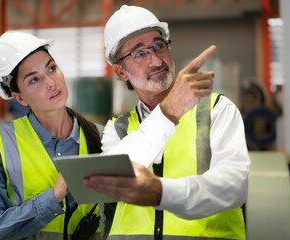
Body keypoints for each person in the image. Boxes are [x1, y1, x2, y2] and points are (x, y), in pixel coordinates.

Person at [84, 5, 250, 240]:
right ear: (120, 71)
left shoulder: (216, 110)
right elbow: (113, 177)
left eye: (158, 46)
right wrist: (168, 112)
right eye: (139, 53)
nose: (155, 60)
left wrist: (162, 193)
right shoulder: (118, 130)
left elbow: (233, 187)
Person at [0, 31, 103, 240]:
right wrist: (52, 198)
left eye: (52, 68)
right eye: (34, 80)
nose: (51, 82)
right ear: (19, 98)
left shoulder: (101, 136)